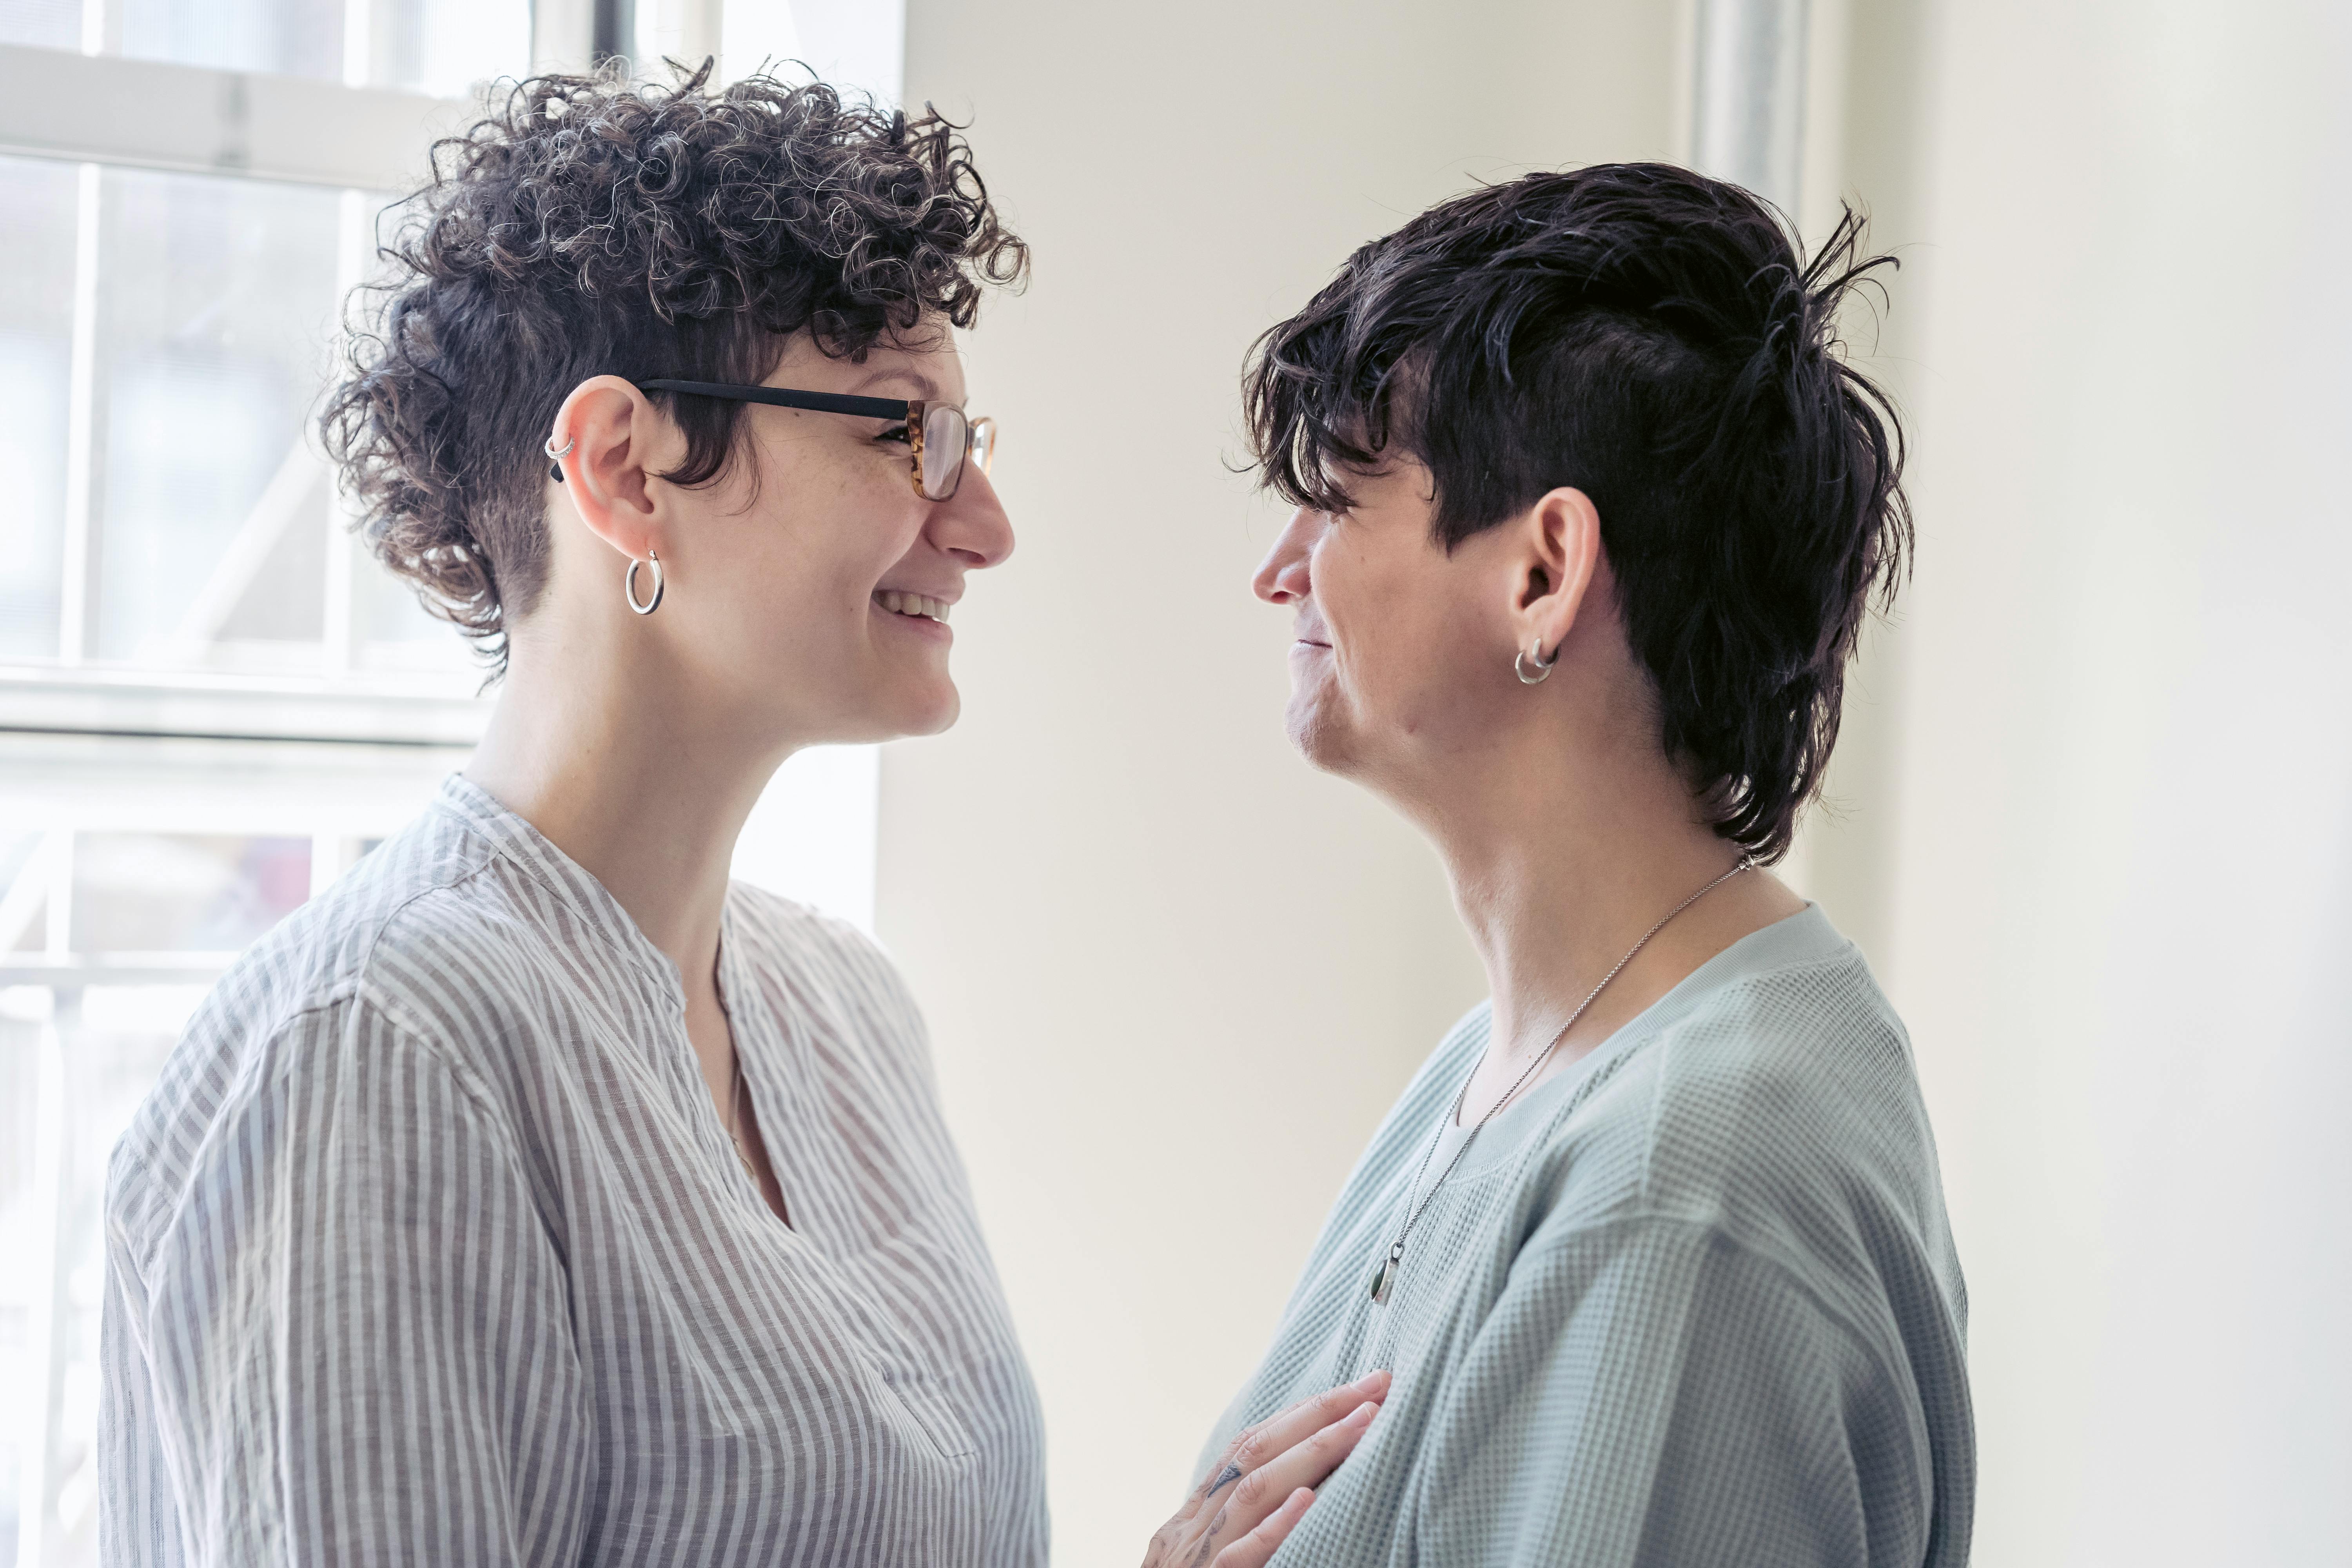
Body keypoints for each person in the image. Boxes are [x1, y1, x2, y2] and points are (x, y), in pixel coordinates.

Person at [96, 66, 1377, 1568]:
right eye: (905, 434)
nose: (985, 524)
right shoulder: (381, 1051)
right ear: (626, 471)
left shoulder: (845, 1009)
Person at [1211, 164, 1974, 1566]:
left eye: (1336, 497)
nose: (1282, 569)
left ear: (1543, 570)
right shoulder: (1513, 1060)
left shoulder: (1690, 1180)